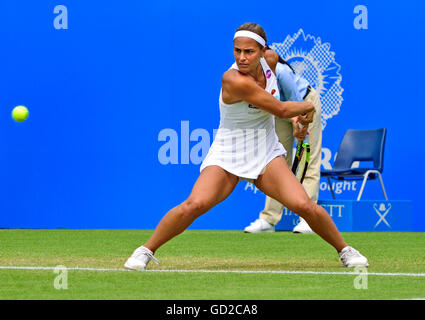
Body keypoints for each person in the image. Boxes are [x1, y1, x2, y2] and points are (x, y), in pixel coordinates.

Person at [124, 23, 369, 270]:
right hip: (227, 153)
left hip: (265, 151)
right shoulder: (233, 80)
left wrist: (295, 121)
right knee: (195, 204)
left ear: (264, 51)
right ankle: (145, 251)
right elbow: (281, 108)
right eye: (237, 50)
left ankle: (345, 250)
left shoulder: (271, 60)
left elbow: (278, 100)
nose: (242, 57)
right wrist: (307, 108)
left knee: (304, 205)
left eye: (249, 51)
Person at [244, 47, 321, 234]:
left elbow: (297, 106)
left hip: (304, 105)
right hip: (279, 111)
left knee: (307, 160)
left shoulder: (283, 72)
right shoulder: (246, 75)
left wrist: (299, 126)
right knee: (275, 161)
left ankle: (308, 219)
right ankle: (269, 220)